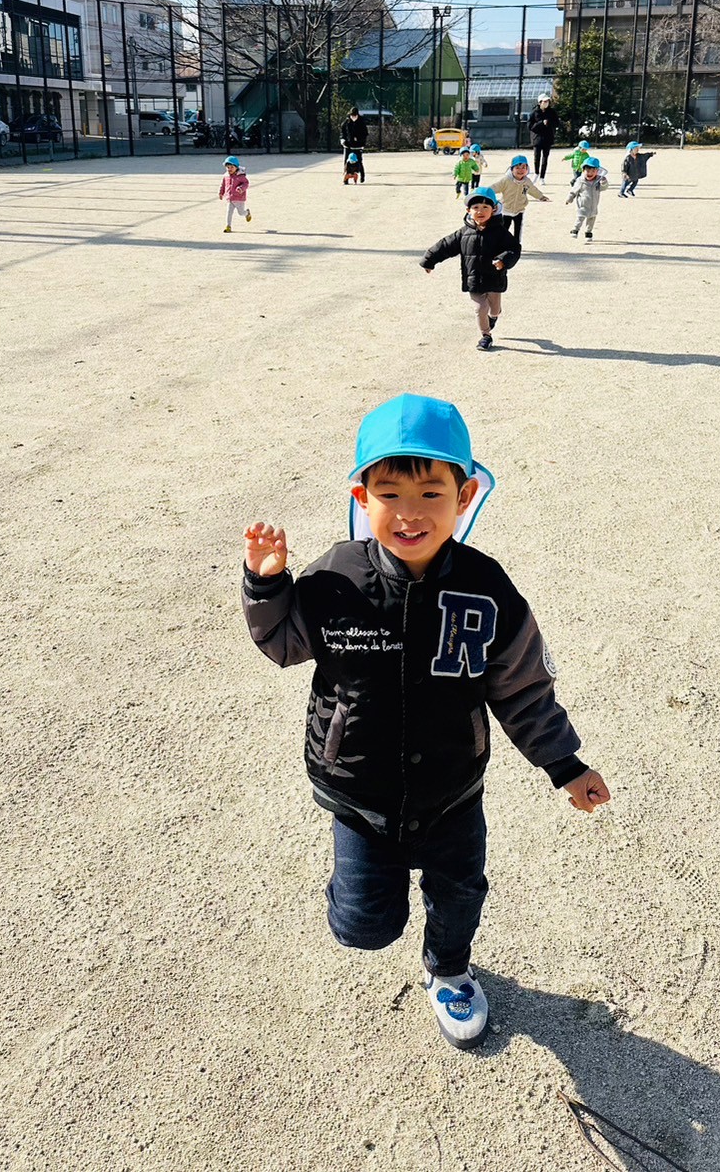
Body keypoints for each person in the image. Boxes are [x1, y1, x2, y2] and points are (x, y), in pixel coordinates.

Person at [241, 393, 610, 1051]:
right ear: (363, 496)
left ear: (464, 496)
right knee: (364, 927)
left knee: (459, 892)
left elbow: (522, 689)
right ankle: (359, 893)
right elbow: (283, 643)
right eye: (389, 493)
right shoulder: (336, 575)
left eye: (431, 493)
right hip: (359, 793)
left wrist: (565, 764)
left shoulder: (486, 588)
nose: (410, 512)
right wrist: (268, 586)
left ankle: (450, 969)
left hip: (451, 789)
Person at [422, 184, 520, 350]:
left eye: (485, 207)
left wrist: (503, 260)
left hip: (494, 279)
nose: (480, 211)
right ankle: (486, 336)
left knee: (494, 309)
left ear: (494, 209)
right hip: (473, 279)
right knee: (481, 308)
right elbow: (445, 246)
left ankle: (494, 316)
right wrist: (429, 259)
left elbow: (514, 248)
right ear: (468, 210)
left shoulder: (500, 232)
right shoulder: (463, 233)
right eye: (476, 207)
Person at [491, 152, 550, 244]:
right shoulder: (506, 180)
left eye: (523, 167)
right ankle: (501, 245)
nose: (520, 170)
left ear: (527, 169)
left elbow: (533, 190)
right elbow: (495, 187)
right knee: (504, 229)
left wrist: (541, 196)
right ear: (512, 169)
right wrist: (484, 193)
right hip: (506, 210)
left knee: (518, 229)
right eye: (517, 167)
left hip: (519, 210)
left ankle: (516, 245)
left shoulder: (527, 181)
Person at [566, 156, 608, 241]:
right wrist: (570, 198)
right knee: (580, 217)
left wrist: (604, 183)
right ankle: (575, 230)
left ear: (597, 171)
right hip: (583, 205)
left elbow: (603, 188)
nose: (590, 173)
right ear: (583, 170)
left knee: (591, 219)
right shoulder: (580, 181)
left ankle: (588, 233)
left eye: (593, 171)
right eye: (588, 171)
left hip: (594, 205)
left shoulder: (598, 181)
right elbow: (574, 190)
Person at [526, 94, 560, 180]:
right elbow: (530, 126)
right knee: (536, 157)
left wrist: (549, 123)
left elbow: (557, 123)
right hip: (537, 138)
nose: (546, 103)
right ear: (540, 102)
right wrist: (541, 123)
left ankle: (542, 177)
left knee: (545, 158)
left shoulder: (552, 112)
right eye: (544, 101)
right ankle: (536, 173)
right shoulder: (534, 112)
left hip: (548, 138)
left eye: (547, 101)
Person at [219, 155, 251, 232]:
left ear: (236, 167)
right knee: (229, 213)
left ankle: (247, 213)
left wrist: (241, 188)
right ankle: (228, 226)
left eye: (231, 167)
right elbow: (223, 184)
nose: (229, 169)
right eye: (228, 167)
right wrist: (221, 193)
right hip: (230, 198)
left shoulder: (240, 176)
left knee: (241, 213)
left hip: (239, 198)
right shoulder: (226, 176)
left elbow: (246, 183)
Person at [341, 107, 369, 183]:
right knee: (347, 162)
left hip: (358, 145)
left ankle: (362, 176)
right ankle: (346, 178)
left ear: (357, 115)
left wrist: (360, 141)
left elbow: (365, 134)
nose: (353, 117)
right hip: (348, 145)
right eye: (352, 115)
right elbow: (343, 132)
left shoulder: (361, 122)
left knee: (359, 161)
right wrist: (343, 140)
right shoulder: (346, 122)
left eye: (355, 116)